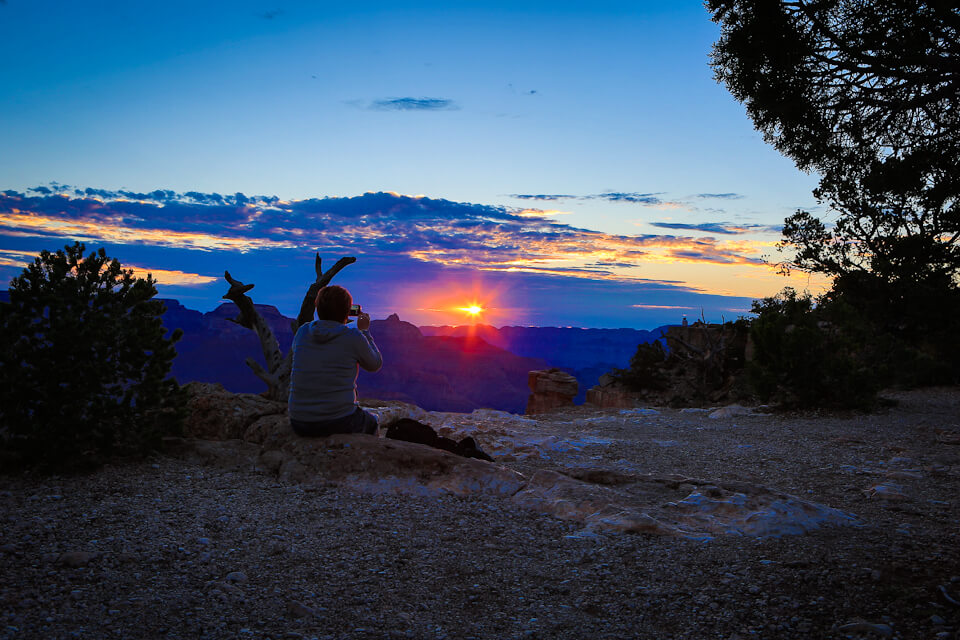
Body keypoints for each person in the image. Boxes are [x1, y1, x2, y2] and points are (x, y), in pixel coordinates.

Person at [288, 285, 382, 436]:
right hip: (337, 421)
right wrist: (365, 331)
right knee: (372, 422)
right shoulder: (353, 337)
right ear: (347, 311)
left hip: (299, 422)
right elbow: (375, 364)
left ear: (318, 308)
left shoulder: (303, 332)